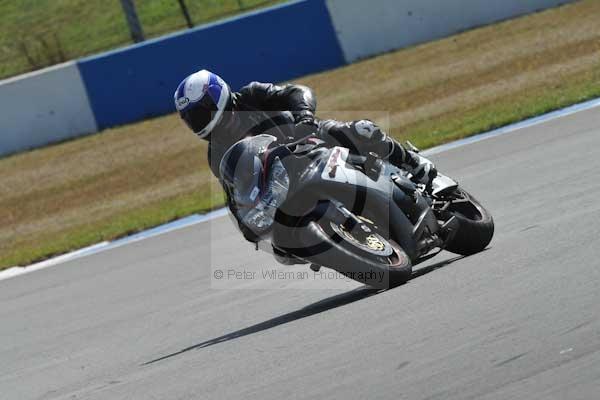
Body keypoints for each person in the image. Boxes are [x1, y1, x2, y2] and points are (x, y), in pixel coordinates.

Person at [173, 69, 437, 185]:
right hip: (287, 178)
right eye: (193, 118)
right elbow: (239, 191)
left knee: (361, 130)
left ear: (218, 95)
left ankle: (411, 162)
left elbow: (297, 92)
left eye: (201, 111)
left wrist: (305, 118)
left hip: (313, 138)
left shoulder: (252, 95)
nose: (200, 120)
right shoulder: (217, 154)